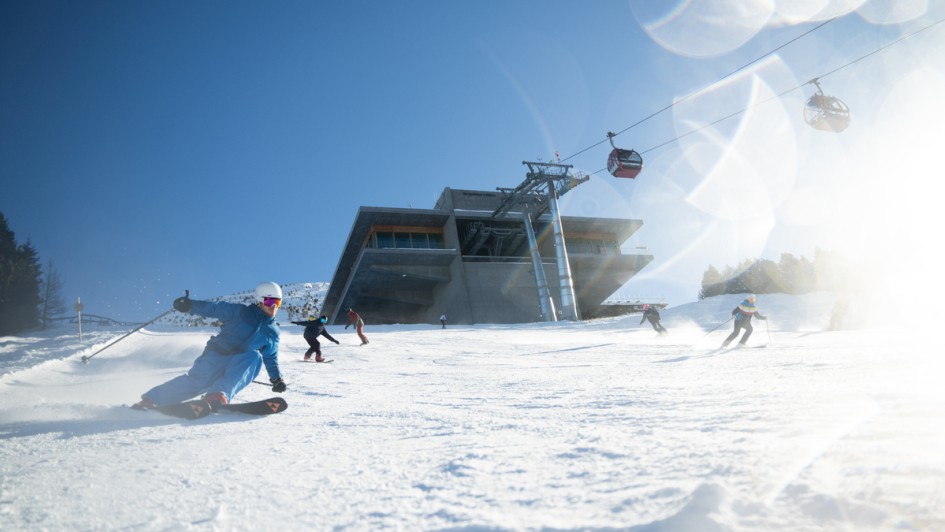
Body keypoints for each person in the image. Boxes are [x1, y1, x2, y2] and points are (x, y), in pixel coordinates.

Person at [132, 281, 287, 409]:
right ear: (259, 301)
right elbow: (214, 308)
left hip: (239, 361)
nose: (273, 306)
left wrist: (276, 379)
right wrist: (190, 306)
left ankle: (217, 395)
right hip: (217, 354)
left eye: (277, 302)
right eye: (269, 301)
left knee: (254, 356)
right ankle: (152, 400)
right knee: (198, 380)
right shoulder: (239, 312)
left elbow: (270, 356)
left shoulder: (272, 332)